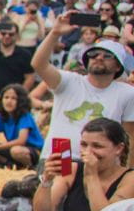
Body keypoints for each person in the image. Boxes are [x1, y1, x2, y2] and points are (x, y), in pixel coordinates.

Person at [33, 20, 134, 164]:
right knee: (56, 186)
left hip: (101, 165)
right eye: (94, 54)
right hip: (61, 157)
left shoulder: (128, 93)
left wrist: (128, 175)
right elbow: (39, 64)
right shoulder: (69, 81)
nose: (99, 58)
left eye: (107, 56)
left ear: (118, 67)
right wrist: (55, 33)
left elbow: (130, 138)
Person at [0, 83, 41, 167]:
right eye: (6, 97)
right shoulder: (2, 116)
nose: (9, 101)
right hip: (12, 149)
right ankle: (8, 163)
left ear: (21, 101)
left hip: (31, 150)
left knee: (16, 151)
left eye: (14, 98)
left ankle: (30, 167)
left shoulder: (25, 116)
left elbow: (21, 141)